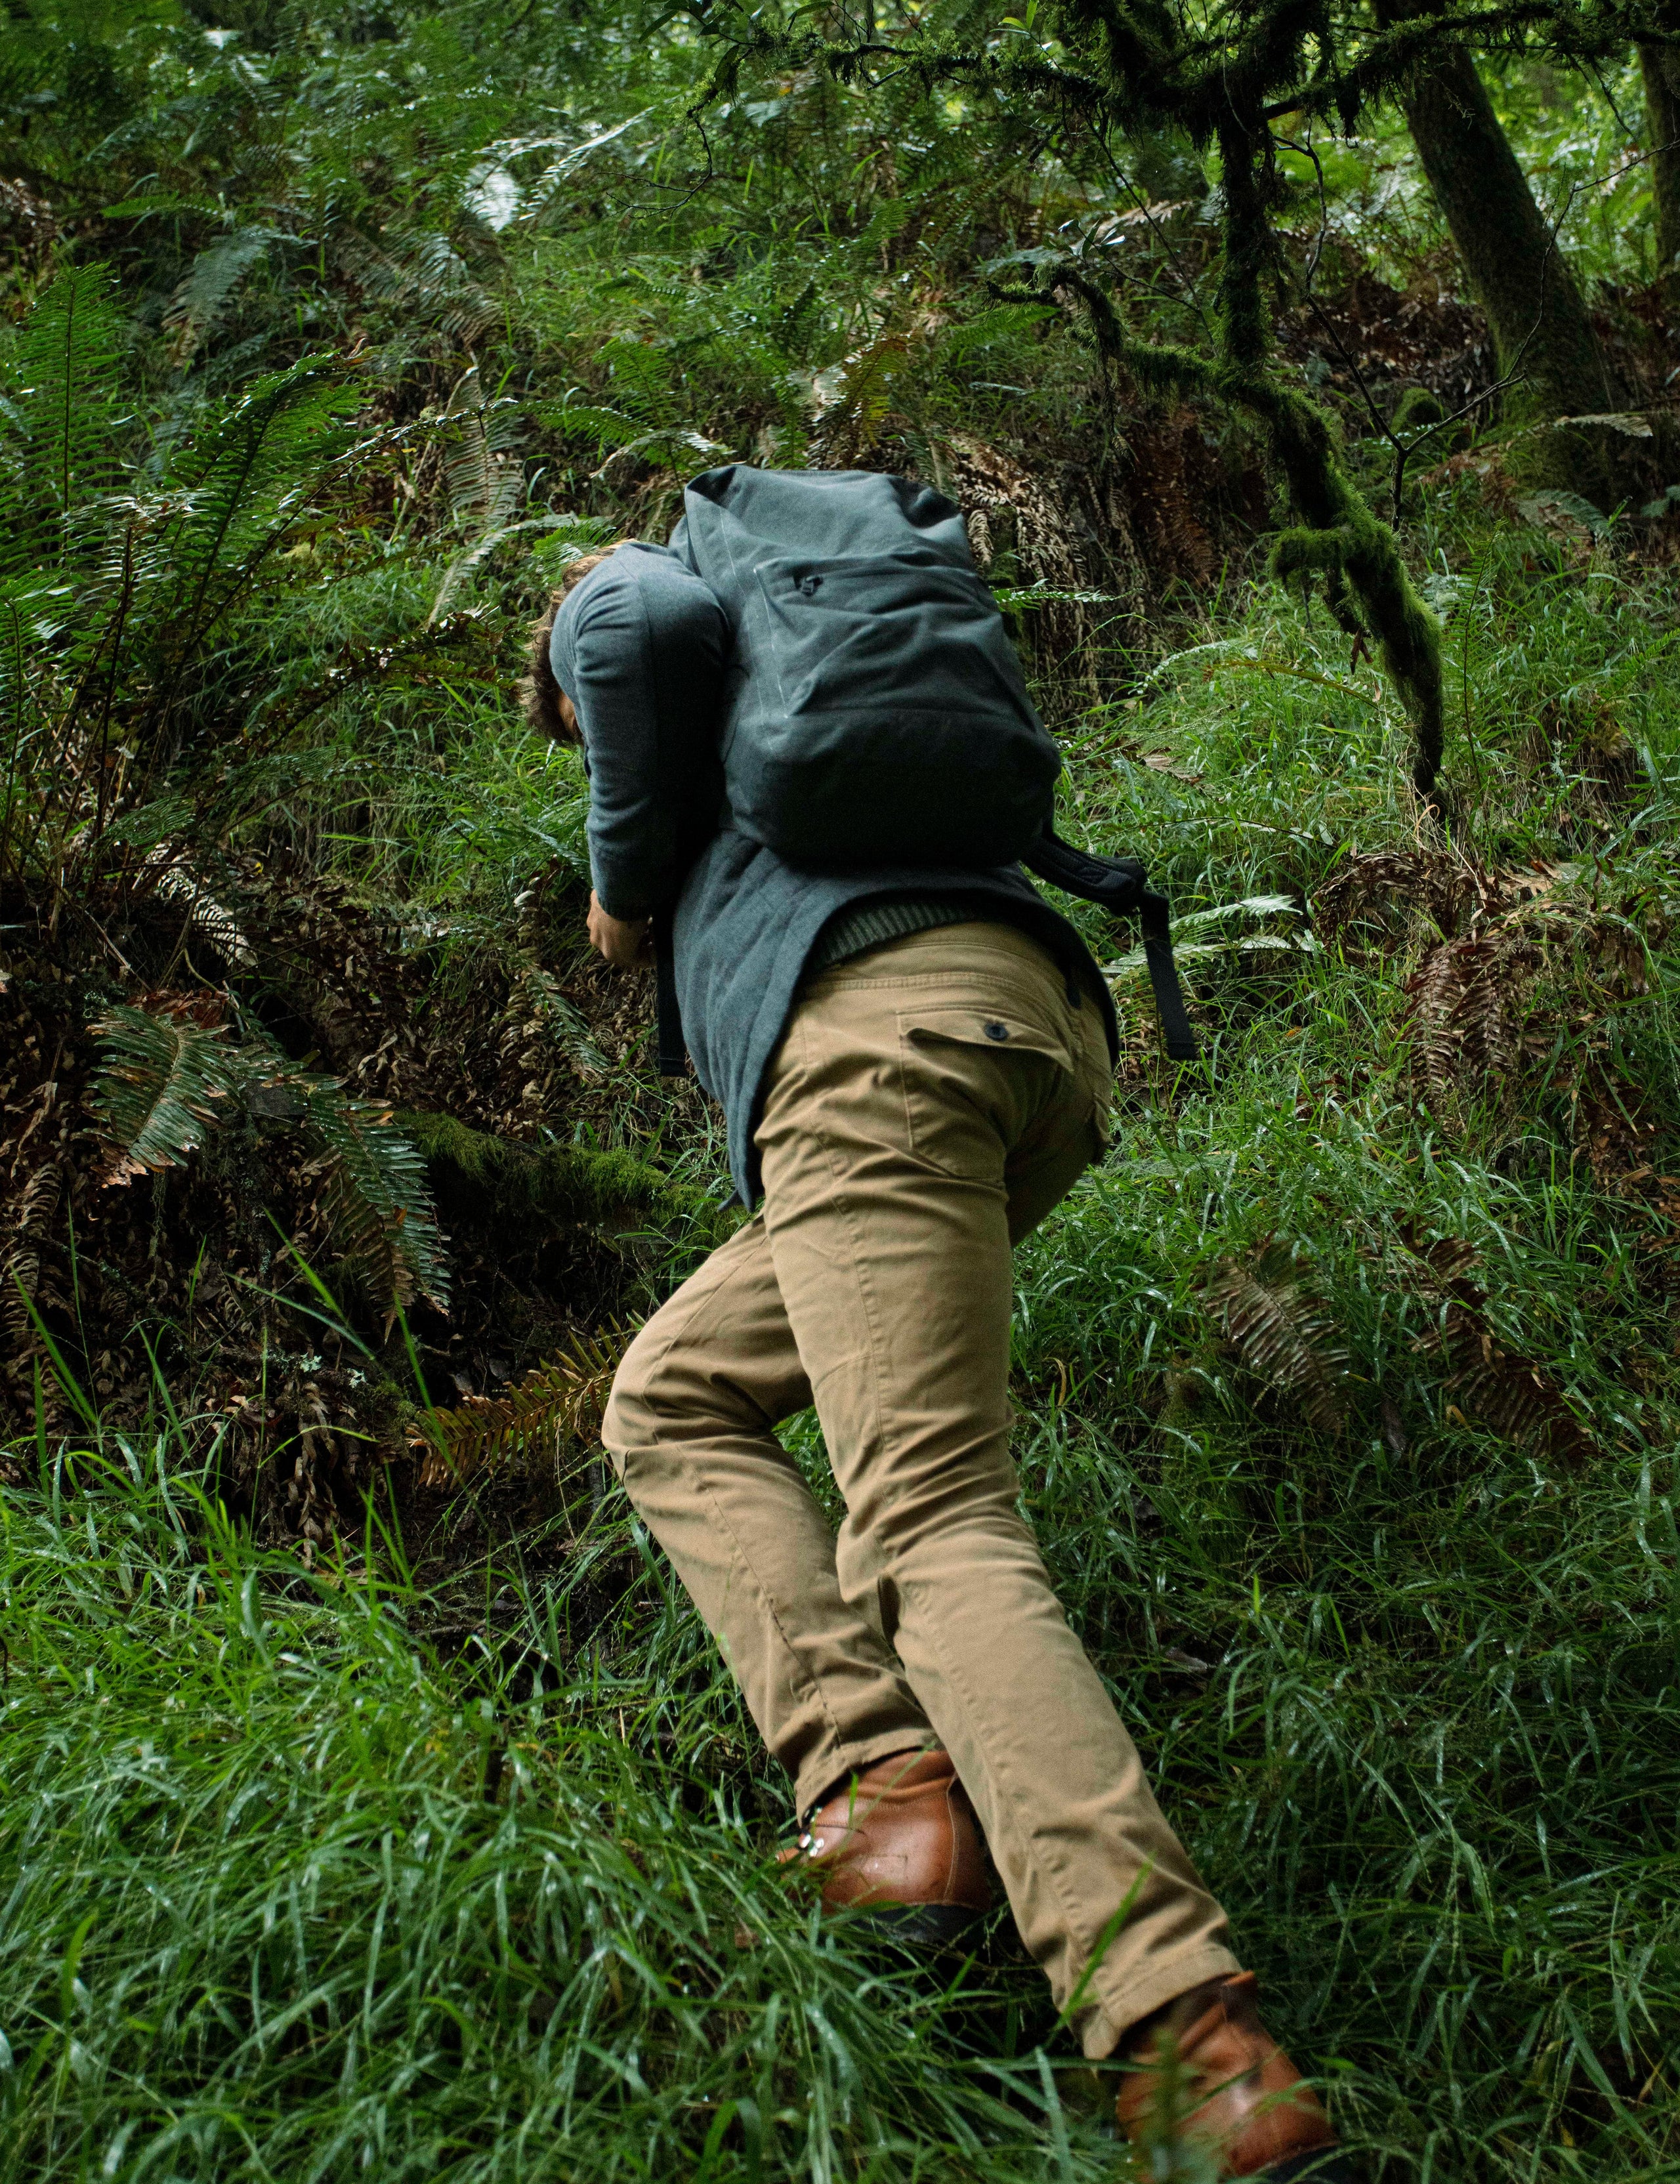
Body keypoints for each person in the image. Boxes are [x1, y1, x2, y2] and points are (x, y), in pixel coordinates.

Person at [530, 506, 1350, 2182]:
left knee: (930, 1514)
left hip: (874, 1047)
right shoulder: (813, 692)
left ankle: (1187, 2039)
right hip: (1019, 1025)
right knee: (672, 1396)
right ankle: (886, 1780)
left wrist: (620, 895)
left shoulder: (633, 604)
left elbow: (619, 627)